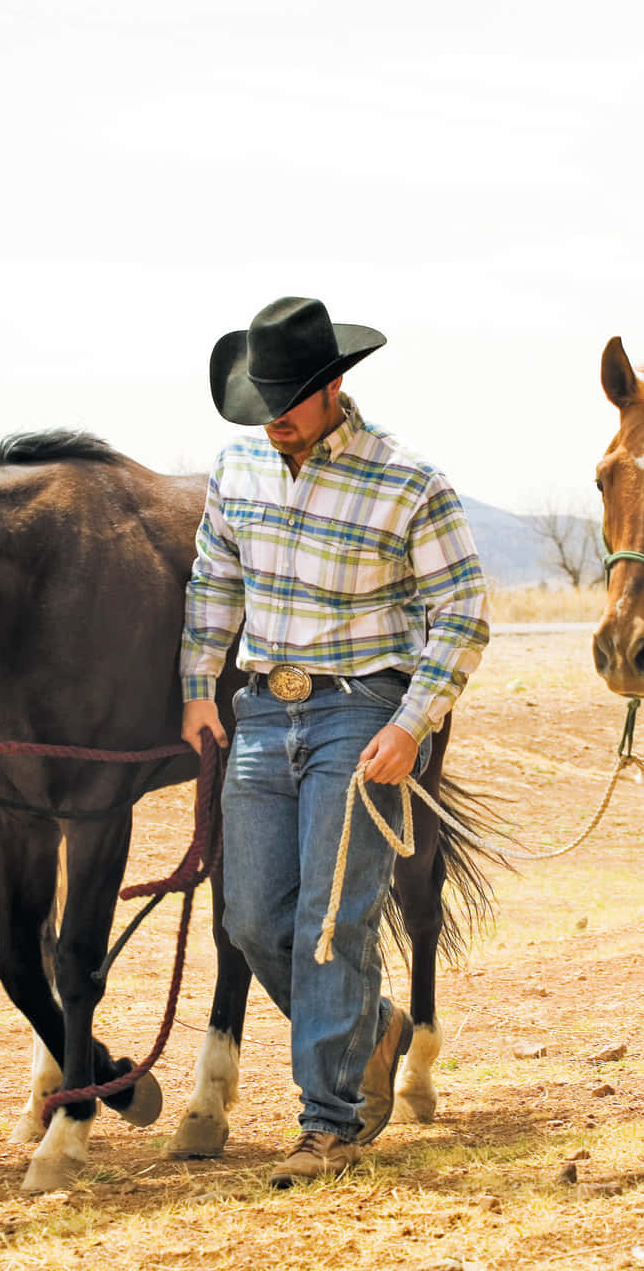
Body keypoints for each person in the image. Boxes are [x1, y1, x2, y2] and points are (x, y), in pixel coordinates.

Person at [180, 295, 491, 1187]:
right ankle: (377, 1027)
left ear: (335, 387)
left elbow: (462, 611)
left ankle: (330, 1122)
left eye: (286, 400)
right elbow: (213, 581)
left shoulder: (408, 483)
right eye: (260, 402)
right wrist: (200, 687)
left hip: (362, 713)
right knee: (248, 919)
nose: (271, 418)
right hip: (260, 713)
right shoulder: (236, 468)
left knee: (331, 921)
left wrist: (410, 724)